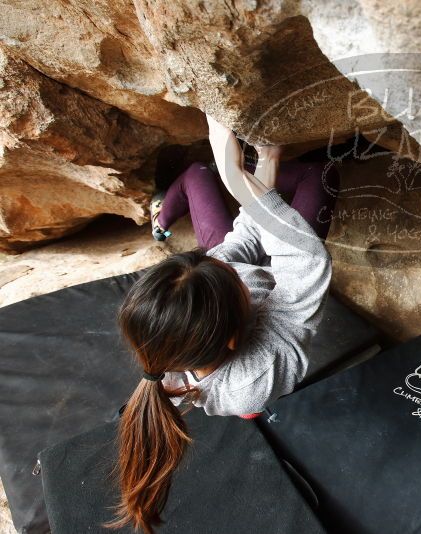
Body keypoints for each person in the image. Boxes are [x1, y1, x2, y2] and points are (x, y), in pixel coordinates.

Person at [108, 114, 339, 534]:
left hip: (228, 323)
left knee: (214, 203)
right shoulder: (256, 373)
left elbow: (239, 243)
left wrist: (260, 167)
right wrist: (236, 177)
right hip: (253, 370)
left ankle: (175, 210)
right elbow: (304, 262)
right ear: (237, 329)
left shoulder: (172, 336)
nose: (224, 264)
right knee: (321, 175)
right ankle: (169, 213)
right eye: (232, 278)